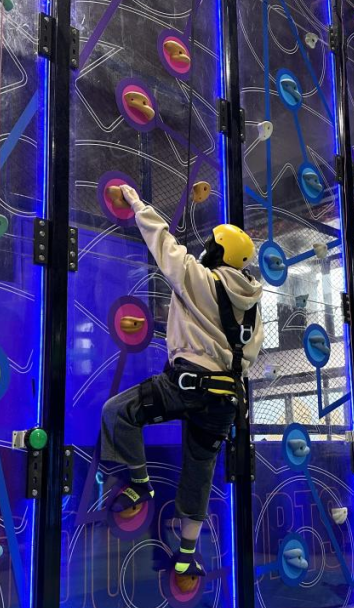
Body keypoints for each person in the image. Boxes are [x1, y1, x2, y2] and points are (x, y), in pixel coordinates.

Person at [99, 184, 264, 579]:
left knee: (118, 412)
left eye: (211, 245)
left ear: (218, 252)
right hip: (225, 400)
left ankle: (140, 482)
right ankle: (187, 555)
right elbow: (248, 357)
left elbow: (162, 243)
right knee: (199, 472)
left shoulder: (199, 278)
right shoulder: (253, 306)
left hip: (185, 385)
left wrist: (136, 201)